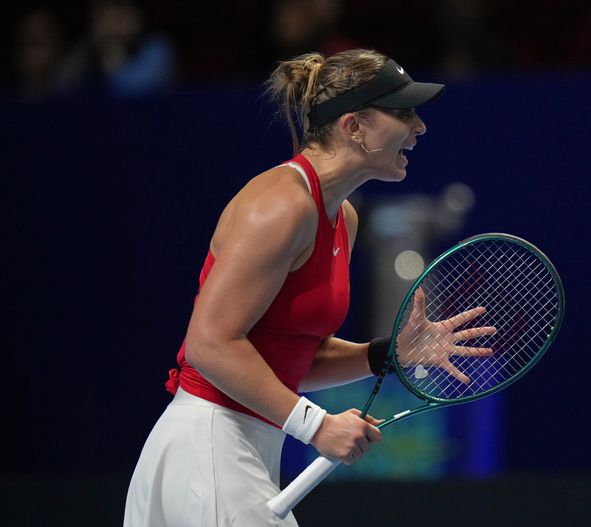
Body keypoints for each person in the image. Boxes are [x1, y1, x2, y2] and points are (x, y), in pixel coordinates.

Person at [123, 48, 483, 526]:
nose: (419, 127)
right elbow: (208, 343)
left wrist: (387, 354)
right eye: (403, 113)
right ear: (353, 126)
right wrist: (316, 425)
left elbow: (286, 356)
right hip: (207, 448)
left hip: (240, 450)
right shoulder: (282, 205)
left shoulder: (341, 218)